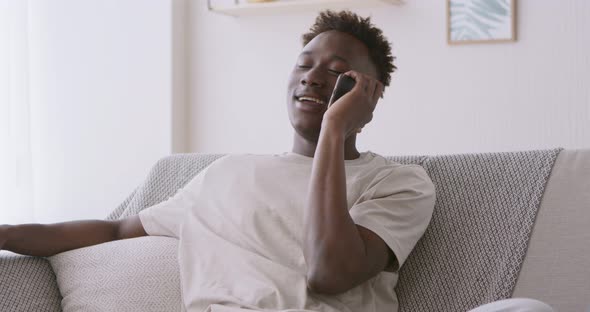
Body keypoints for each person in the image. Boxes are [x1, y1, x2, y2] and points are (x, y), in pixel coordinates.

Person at [0, 10, 554, 312]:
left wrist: (335, 132)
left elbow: (330, 273)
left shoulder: (400, 182)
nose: (313, 74)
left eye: (336, 68)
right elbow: (114, 228)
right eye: (305, 63)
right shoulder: (225, 174)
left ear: (370, 92)